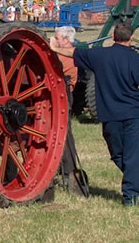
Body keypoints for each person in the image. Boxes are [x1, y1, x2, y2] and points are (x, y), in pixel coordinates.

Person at [50, 23, 139, 206]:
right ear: (131, 38)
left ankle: (130, 197)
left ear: (113, 37)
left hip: (110, 114)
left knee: (120, 154)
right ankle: (134, 180)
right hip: (132, 113)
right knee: (128, 156)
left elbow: (72, 52)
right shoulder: (135, 59)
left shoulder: (99, 55)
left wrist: (54, 48)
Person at [50, 26, 88, 195]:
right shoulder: (65, 53)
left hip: (63, 96)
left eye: (57, 38)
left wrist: (51, 48)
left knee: (64, 135)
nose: (54, 40)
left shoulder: (66, 56)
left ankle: (68, 171)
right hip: (61, 95)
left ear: (65, 40)